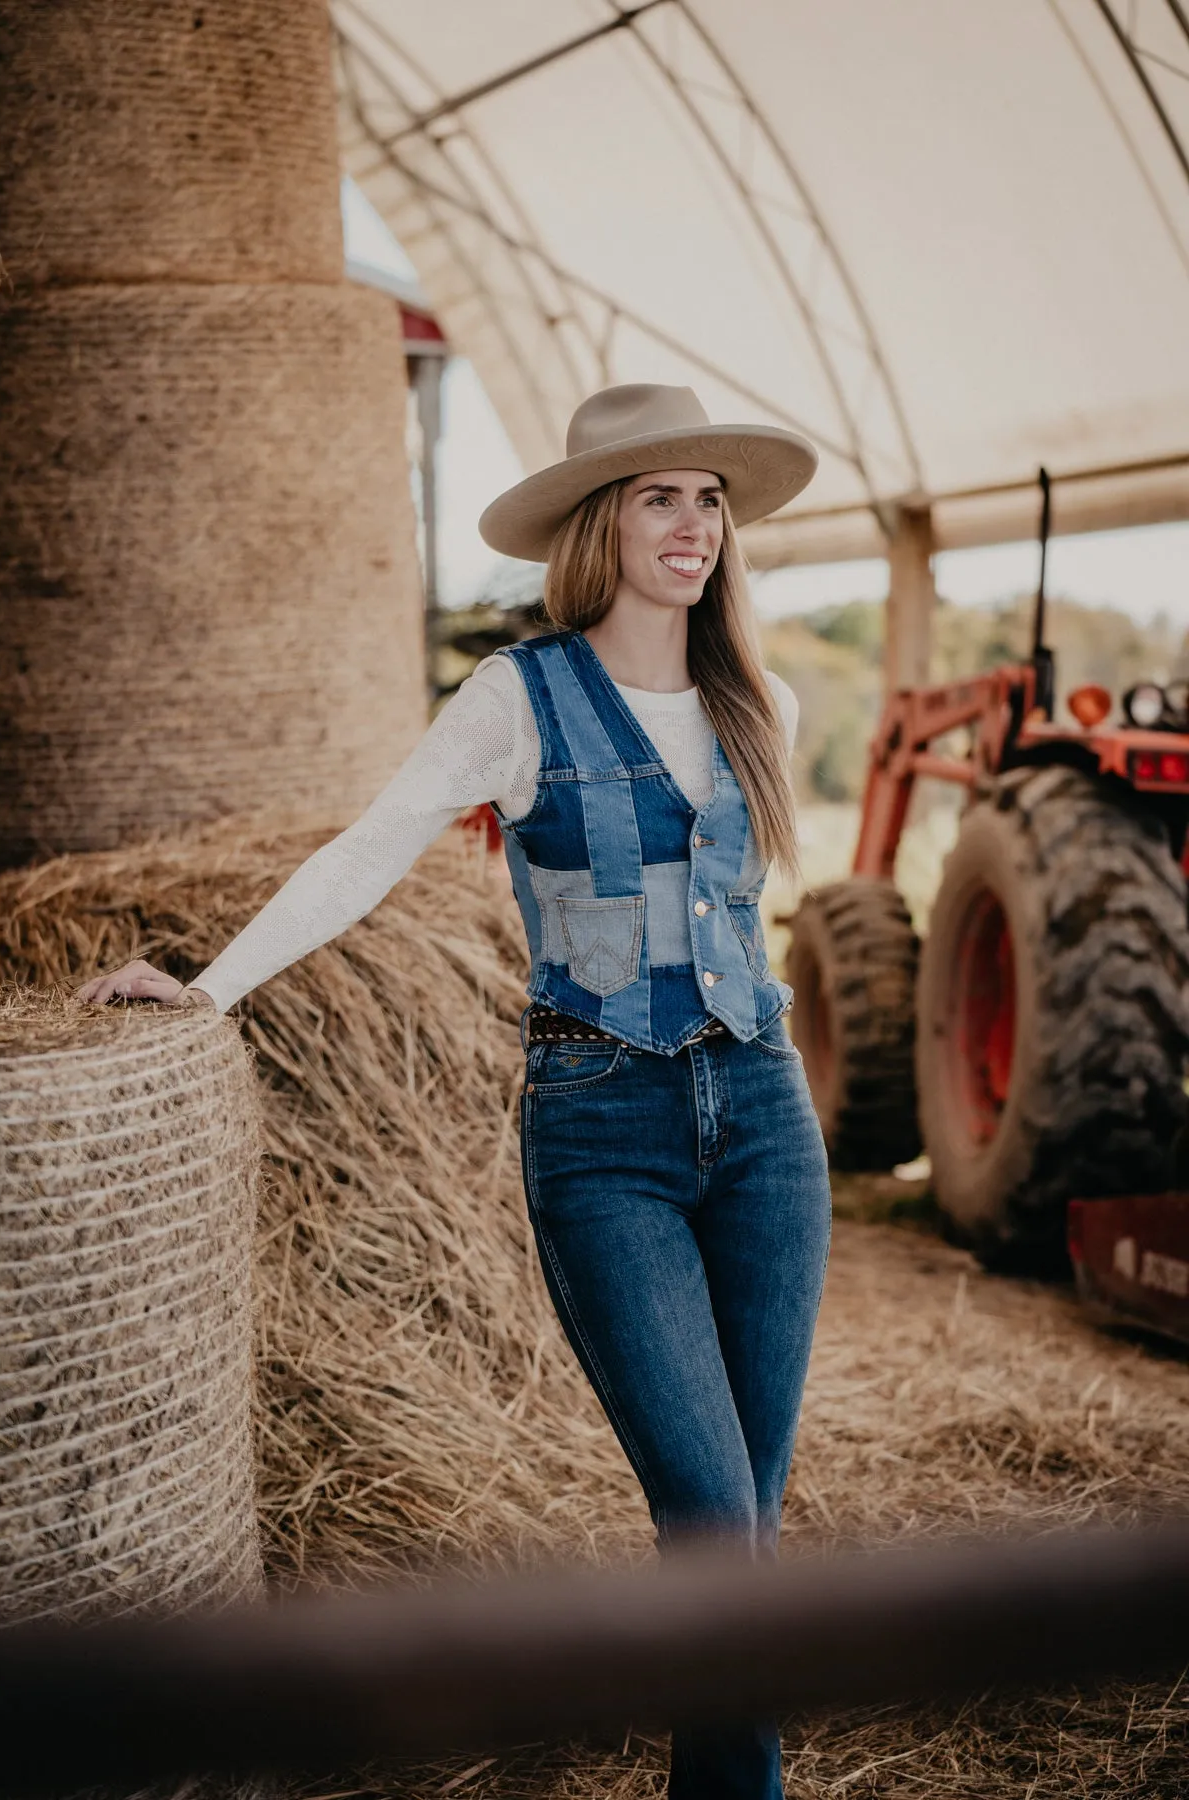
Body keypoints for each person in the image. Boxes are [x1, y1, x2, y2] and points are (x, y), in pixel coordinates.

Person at [78, 383, 832, 1800]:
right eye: (658, 496)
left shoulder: (761, 699)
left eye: (710, 499)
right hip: (605, 1130)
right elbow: (369, 850)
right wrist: (211, 985)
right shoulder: (517, 695)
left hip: (770, 1126)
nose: (691, 525)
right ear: (603, 523)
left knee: (747, 1547)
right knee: (715, 1527)